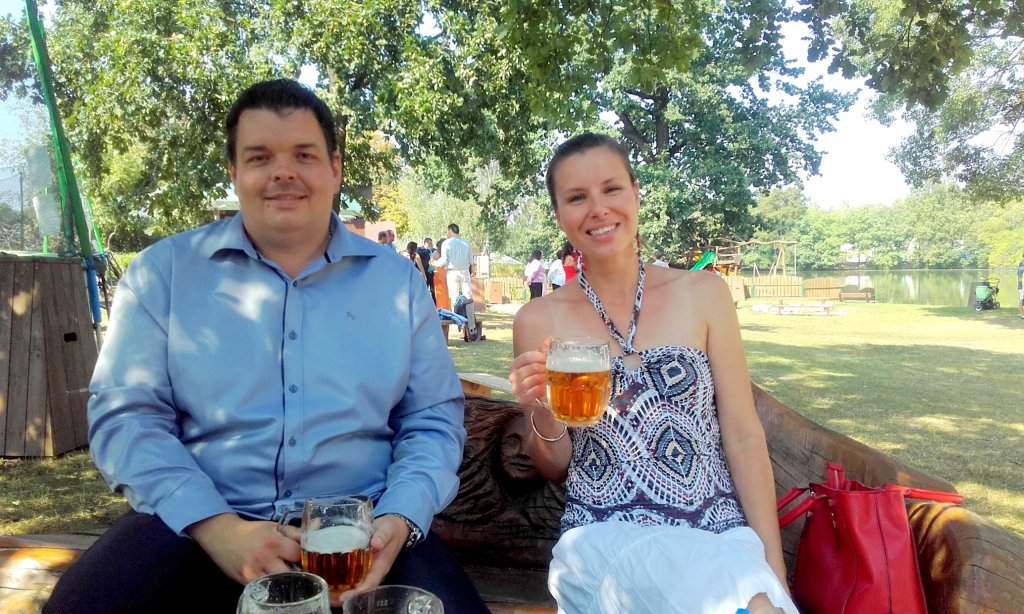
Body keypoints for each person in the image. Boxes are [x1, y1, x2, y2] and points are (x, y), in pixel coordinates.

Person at [44, 79, 488, 614]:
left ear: (335, 169)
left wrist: (400, 518)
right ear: (234, 171)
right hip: (203, 522)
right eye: (260, 157)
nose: (283, 172)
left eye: (304, 155)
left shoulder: (397, 283)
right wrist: (218, 528)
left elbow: (432, 419)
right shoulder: (163, 274)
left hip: (364, 529)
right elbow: (126, 418)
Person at [508, 132, 796, 614]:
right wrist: (541, 409)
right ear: (559, 215)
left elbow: (743, 435)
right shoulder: (537, 319)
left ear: (636, 194)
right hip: (603, 535)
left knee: (743, 593)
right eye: (577, 198)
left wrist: (773, 569)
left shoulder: (704, 293)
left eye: (611, 189)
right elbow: (555, 467)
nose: (598, 209)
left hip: (716, 532)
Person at [418, 237, 436, 303]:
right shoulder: (420, 249)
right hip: (425, 272)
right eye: (430, 243)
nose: (431, 244)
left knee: (433, 289)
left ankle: (434, 303)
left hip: (432, 272)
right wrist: (428, 250)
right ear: (426, 243)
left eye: (431, 243)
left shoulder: (434, 250)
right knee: (425, 288)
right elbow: (419, 254)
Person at [1018, 252, 1024, 319]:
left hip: (1021, 286)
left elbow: (1019, 279)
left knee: (1021, 299)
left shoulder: (1021, 266)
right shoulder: (1021, 267)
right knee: (1021, 299)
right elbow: (1020, 279)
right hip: (1022, 286)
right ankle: (1022, 314)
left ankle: (1022, 314)